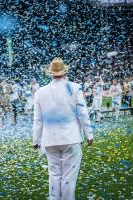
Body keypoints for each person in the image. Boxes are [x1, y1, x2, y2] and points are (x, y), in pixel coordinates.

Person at [33, 57, 93, 200]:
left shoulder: (40, 92)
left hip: (50, 139)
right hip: (70, 137)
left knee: (54, 175)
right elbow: (82, 112)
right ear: (65, 72)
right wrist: (89, 134)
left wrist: (36, 139)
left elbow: (37, 119)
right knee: (68, 177)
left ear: (51, 73)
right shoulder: (74, 87)